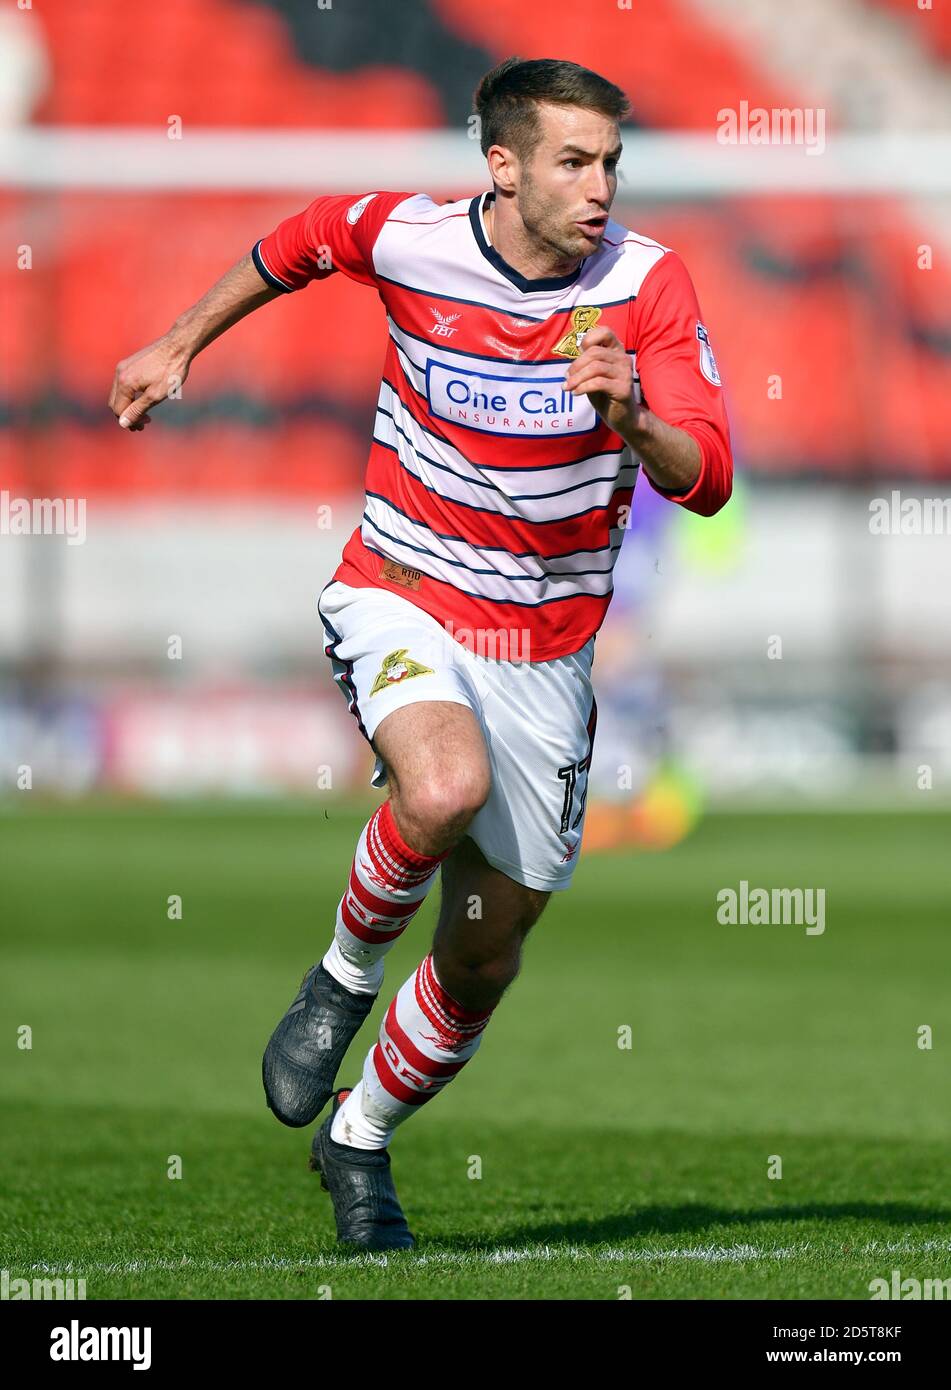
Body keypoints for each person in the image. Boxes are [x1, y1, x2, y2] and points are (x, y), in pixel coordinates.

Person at [108, 56, 733, 1251]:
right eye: (572, 160)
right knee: (442, 787)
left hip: (546, 647)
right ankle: (341, 980)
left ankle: (358, 1137)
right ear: (501, 165)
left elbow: (708, 476)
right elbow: (299, 241)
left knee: (486, 954)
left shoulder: (650, 286)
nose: (601, 185)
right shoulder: (407, 235)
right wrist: (177, 342)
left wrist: (635, 418)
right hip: (402, 588)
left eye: (611, 161)